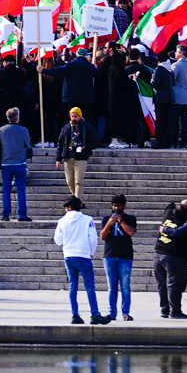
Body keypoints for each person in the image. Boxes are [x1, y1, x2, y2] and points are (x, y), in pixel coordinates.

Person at [53, 196, 109, 326]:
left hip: (69, 255)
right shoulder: (87, 220)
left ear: (69, 207)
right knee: (89, 286)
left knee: (72, 285)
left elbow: (58, 240)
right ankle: (95, 313)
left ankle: (75, 314)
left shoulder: (62, 221)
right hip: (83, 255)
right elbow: (93, 239)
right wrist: (91, 252)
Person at [154, 199, 187, 318]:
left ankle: (164, 309)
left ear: (179, 207)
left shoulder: (168, 213)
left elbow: (169, 206)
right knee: (174, 285)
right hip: (174, 255)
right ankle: (175, 310)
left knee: (161, 284)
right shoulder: (186, 222)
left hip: (158, 252)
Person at [100, 194, 136, 322]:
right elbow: (102, 236)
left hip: (125, 256)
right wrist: (109, 223)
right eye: (114, 206)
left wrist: (121, 221)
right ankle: (111, 312)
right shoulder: (106, 219)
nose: (116, 208)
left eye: (118, 206)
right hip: (109, 256)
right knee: (112, 286)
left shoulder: (130, 218)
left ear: (124, 205)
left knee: (125, 285)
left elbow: (130, 232)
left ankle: (126, 312)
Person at [56, 105, 94, 199]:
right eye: (72, 116)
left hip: (81, 157)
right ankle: (79, 200)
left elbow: (95, 141)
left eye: (76, 116)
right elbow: (60, 143)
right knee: (70, 181)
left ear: (80, 116)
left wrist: (86, 146)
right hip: (68, 157)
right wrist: (58, 158)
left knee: (78, 181)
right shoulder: (66, 128)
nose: (74, 118)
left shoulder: (87, 127)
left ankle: (77, 202)